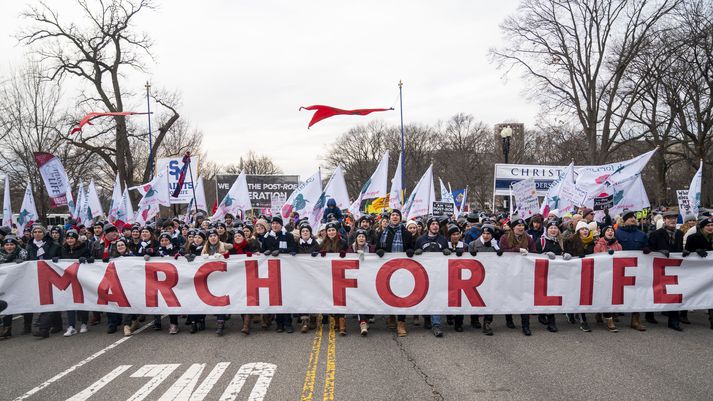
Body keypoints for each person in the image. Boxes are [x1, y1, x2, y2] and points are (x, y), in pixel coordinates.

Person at [376, 209, 415, 337]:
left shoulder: (406, 233)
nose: (394, 217)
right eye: (392, 215)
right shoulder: (383, 232)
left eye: (397, 215)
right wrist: (379, 251)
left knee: (401, 294)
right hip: (388, 269)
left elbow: (411, 246)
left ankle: (401, 322)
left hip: (403, 269)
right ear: (390, 217)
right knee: (389, 293)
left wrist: (410, 250)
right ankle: (391, 316)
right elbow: (377, 247)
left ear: (400, 218)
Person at [648, 211, 685, 331]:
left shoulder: (680, 233)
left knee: (674, 292)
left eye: (674, 218)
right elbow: (649, 249)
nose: (672, 220)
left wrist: (684, 252)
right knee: (656, 291)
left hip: (674, 268)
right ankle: (650, 314)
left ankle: (674, 321)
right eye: (669, 218)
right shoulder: (656, 234)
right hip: (659, 267)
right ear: (664, 220)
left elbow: (679, 249)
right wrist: (659, 252)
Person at [499, 217, 536, 336]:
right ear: (513, 227)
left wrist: (529, 253)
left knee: (524, 298)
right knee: (509, 296)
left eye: (522, 226)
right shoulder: (505, 237)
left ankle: (526, 325)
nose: (521, 228)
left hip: (524, 273)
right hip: (509, 272)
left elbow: (535, 252)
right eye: (518, 226)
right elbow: (503, 251)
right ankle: (508, 319)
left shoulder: (528, 238)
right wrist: (517, 250)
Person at [414, 217, 450, 337]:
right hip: (423, 274)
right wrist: (415, 252)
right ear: (428, 226)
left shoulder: (443, 239)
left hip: (438, 274)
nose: (435, 226)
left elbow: (449, 255)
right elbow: (412, 257)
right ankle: (427, 317)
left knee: (436, 298)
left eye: (437, 224)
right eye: (433, 224)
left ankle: (436, 324)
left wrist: (447, 251)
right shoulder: (420, 240)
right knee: (425, 297)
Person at [615, 209, 649, 331]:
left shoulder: (642, 234)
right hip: (619, 268)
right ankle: (612, 314)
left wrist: (647, 248)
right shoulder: (617, 233)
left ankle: (635, 319)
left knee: (637, 292)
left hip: (637, 268)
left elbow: (648, 245)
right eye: (629, 217)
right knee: (617, 291)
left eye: (634, 217)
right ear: (624, 221)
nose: (633, 219)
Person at [27, 224, 62, 338]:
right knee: (48, 301)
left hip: (52, 276)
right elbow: (27, 260)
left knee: (50, 300)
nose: (37, 234)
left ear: (44, 233)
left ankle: (43, 329)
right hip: (36, 277)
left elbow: (63, 258)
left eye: (39, 232)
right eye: (35, 232)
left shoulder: (54, 245)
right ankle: (57, 325)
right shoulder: (29, 246)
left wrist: (58, 260)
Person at [467, 225, 500, 335]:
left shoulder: (495, 245)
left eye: (488, 234)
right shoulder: (473, 244)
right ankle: (474, 319)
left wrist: (498, 249)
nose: (486, 236)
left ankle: (487, 322)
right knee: (476, 298)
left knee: (490, 300)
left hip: (490, 276)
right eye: (484, 233)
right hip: (476, 276)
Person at [564, 221, 595, 332]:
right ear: (578, 231)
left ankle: (582, 318)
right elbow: (566, 254)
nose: (585, 231)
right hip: (574, 271)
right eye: (582, 229)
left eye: (586, 229)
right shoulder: (570, 241)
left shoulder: (592, 242)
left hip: (587, 271)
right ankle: (574, 314)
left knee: (582, 295)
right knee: (574, 293)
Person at [684, 216, 713, 329]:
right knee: (691, 291)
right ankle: (683, 313)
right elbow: (686, 253)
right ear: (701, 227)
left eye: (712, 225)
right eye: (708, 226)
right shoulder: (692, 238)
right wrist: (695, 252)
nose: (710, 227)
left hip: (710, 271)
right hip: (696, 272)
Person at [61, 230, 91, 337]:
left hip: (81, 279)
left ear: (76, 239)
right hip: (68, 280)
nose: (70, 240)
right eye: (68, 238)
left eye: (72, 238)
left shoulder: (84, 248)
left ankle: (84, 323)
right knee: (69, 303)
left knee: (81, 301)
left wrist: (86, 259)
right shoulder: (63, 249)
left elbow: (91, 260)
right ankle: (71, 326)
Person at [202, 229, 232, 336]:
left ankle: (220, 322)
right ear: (208, 238)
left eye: (214, 235)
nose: (213, 238)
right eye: (210, 236)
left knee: (221, 298)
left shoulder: (223, 245)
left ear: (218, 237)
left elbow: (233, 247)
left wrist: (225, 254)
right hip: (210, 277)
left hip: (222, 277)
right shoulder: (204, 248)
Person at [320, 222, 348, 335]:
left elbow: (350, 254)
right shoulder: (323, 243)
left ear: (336, 231)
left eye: (333, 230)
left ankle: (342, 323)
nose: (331, 232)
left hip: (340, 275)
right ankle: (335, 320)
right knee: (331, 299)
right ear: (326, 232)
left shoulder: (343, 242)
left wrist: (344, 254)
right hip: (328, 275)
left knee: (340, 299)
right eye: (329, 230)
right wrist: (319, 255)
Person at [535, 220, 562, 333]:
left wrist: (566, 255)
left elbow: (564, 252)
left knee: (552, 296)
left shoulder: (561, 241)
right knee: (543, 295)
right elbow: (534, 256)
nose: (553, 230)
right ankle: (543, 315)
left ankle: (551, 321)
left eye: (555, 228)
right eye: (551, 228)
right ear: (547, 229)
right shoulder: (541, 241)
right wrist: (544, 255)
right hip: (542, 272)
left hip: (555, 273)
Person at [0, 236, 30, 339]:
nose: (9, 246)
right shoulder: (1, 254)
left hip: (21, 282)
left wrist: (21, 262)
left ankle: (27, 326)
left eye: (12, 244)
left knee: (25, 303)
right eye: (7, 244)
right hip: (6, 284)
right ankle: (7, 329)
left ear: (15, 245)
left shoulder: (23, 252)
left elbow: (28, 264)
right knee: (7, 303)